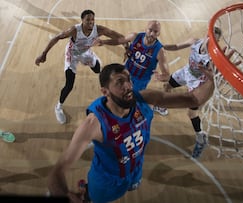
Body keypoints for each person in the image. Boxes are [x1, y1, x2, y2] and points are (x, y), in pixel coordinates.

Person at [47, 62, 215, 203]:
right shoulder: (93, 123)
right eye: (120, 82)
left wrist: (211, 80)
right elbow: (58, 171)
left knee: (131, 185)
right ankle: (87, 193)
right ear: (105, 92)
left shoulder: (145, 99)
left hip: (134, 171)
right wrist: (65, 195)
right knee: (91, 198)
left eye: (128, 79)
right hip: (104, 183)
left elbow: (194, 100)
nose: (128, 86)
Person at [35, 9, 125, 124]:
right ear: (82, 20)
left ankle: (91, 60)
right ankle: (58, 107)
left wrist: (127, 45)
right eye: (88, 20)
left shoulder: (99, 30)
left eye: (92, 20)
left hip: (86, 52)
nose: (91, 22)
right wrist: (43, 54)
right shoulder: (74, 30)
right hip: (72, 54)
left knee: (98, 70)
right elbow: (56, 37)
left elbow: (118, 36)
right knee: (69, 84)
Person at [161, 27, 228, 158]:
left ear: (218, 41)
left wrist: (205, 71)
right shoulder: (194, 41)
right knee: (167, 85)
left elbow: (213, 78)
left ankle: (200, 138)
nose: (211, 40)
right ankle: (162, 108)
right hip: (186, 73)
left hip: (198, 84)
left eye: (215, 39)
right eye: (210, 36)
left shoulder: (214, 57)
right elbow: (175, 46)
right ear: (206, 34)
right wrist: (161, 47)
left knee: (191, 113)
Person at [96, 20, 171, 116]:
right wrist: (103, 42)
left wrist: (161, 77)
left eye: (155, 32)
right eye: (150, 30)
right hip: (125, 73)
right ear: (145, 29)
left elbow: (167, 75)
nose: (152, 33)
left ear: (159, 33)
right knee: (120, 94)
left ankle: (153, 106)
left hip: (140, 81)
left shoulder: (160, 51)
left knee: (131, 100)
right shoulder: (135, 36)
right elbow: (119, 40)